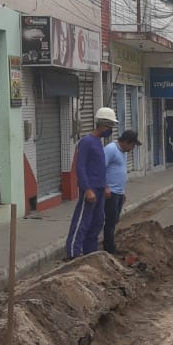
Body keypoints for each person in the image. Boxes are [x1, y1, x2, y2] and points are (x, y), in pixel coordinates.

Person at [67, 107, 119, 259]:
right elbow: (80, 167)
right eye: (110, 126)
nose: (110, 130)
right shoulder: (87, 142)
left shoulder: (98, 142)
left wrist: (105, 186)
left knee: (97, 222)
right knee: (82, 221)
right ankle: (74, 253)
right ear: (103, 125)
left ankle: (90, 252)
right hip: (91, 189)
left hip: (100, 189)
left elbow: (99, 167)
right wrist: (87, 188)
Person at [103, 129, 142, 254]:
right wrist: (105, 187)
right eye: (132, 145)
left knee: (115, 220)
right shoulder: (111, 149)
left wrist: (122, 192)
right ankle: (109, 248)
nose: (132, 149)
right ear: (126, 142)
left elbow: (119, 171)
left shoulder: (123, 152)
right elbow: (100, 168)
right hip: (110, 192)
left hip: (118, 192)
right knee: (110, 220)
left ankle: (110, 244)